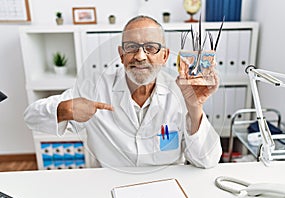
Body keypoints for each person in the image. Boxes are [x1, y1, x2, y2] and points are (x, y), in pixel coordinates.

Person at [24, 15, 222, 168]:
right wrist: (66, 110)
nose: (140, 56)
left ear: (165, 56)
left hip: (165, 187)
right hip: (109, 185)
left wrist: (195, 107)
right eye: (131, 47)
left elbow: (208, 160)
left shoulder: (182, 91)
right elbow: (31, 117)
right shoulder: (94, 88)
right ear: (121, 55)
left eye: (151, 48)